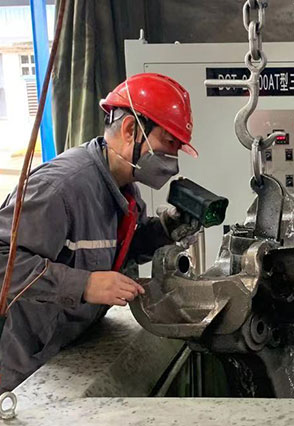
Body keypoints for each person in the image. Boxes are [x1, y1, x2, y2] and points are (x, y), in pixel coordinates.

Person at [0, 73, 199, 392]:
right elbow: (3, 261)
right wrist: (84, 284)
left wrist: (164, 231)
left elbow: (116, 247)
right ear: (131, 129)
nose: (172, 161)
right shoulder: (59, 189)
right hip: (24, 372)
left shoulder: (123, 188)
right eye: (168, 143)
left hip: (71, 353)